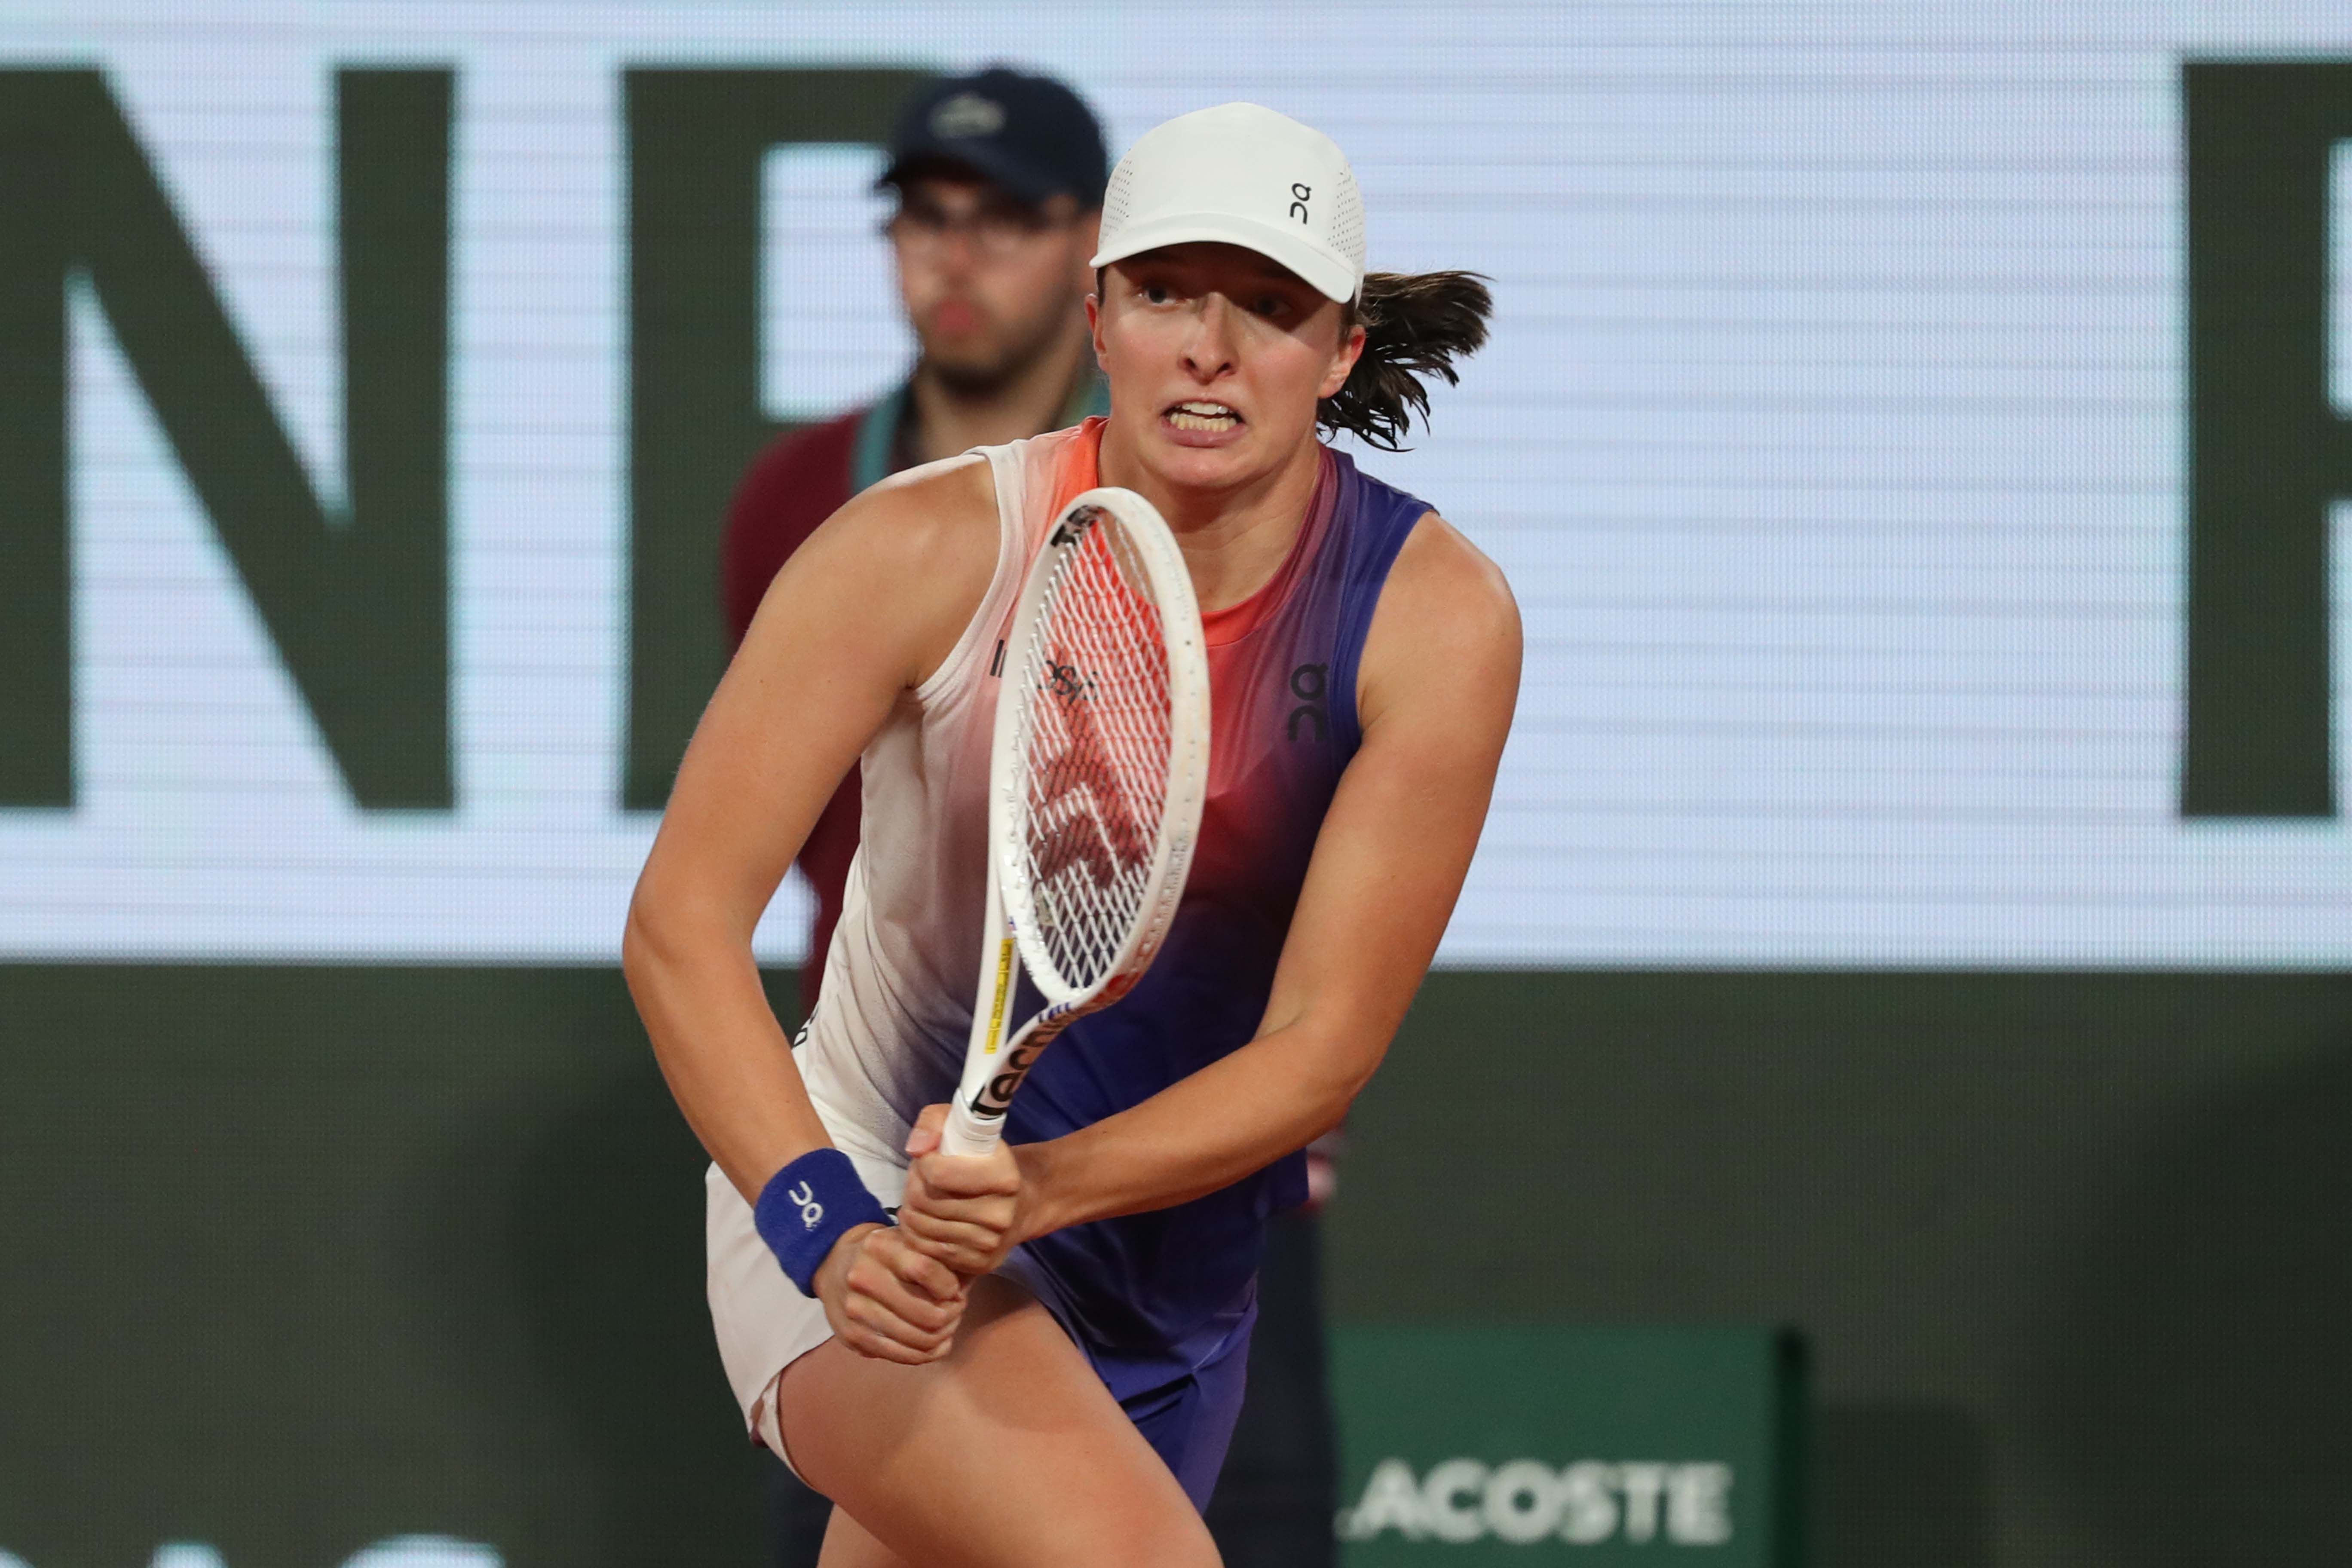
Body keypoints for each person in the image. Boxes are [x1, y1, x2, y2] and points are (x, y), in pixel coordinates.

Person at [628, 100, 1516, 1568]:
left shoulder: (1434, 619)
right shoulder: (914, 549)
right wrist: (822, 1226)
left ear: (1345, 348)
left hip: (1171, 1279)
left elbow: (1319, 1049)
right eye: (1166, 293)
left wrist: (1044, 1188)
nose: (1209, 348)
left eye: (1272, 307)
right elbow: (679, 926)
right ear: (1100, 317)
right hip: (870, 1208)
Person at [722, 71, 1349, 1567]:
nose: (955, 257)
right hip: (912, 1143)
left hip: (1172, 1175)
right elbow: (794, 855)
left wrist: (1245, 1102)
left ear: (1070, 259)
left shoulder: (1262, 521)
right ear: (1108, 308)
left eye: (1001, 222)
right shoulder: (818, 504)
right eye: (927, 219)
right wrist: (835, 1193)